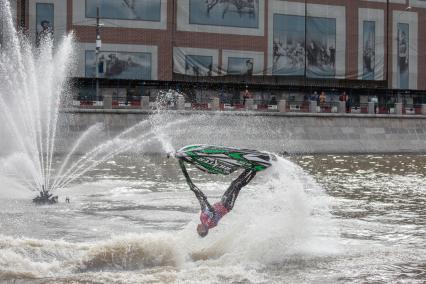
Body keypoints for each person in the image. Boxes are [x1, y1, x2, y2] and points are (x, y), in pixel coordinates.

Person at [179, 160, 256, 237]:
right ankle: (254, 171)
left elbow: (202, 206)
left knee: (234, 183)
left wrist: (196, 193)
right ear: (203, 230)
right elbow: (213, 212)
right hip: (227, 206)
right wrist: (206, 201)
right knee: (237, 186)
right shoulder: (209, 224)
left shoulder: (202, 219)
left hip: (222, 202)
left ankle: (248, 169)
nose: (197, 229)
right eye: (198, 231)